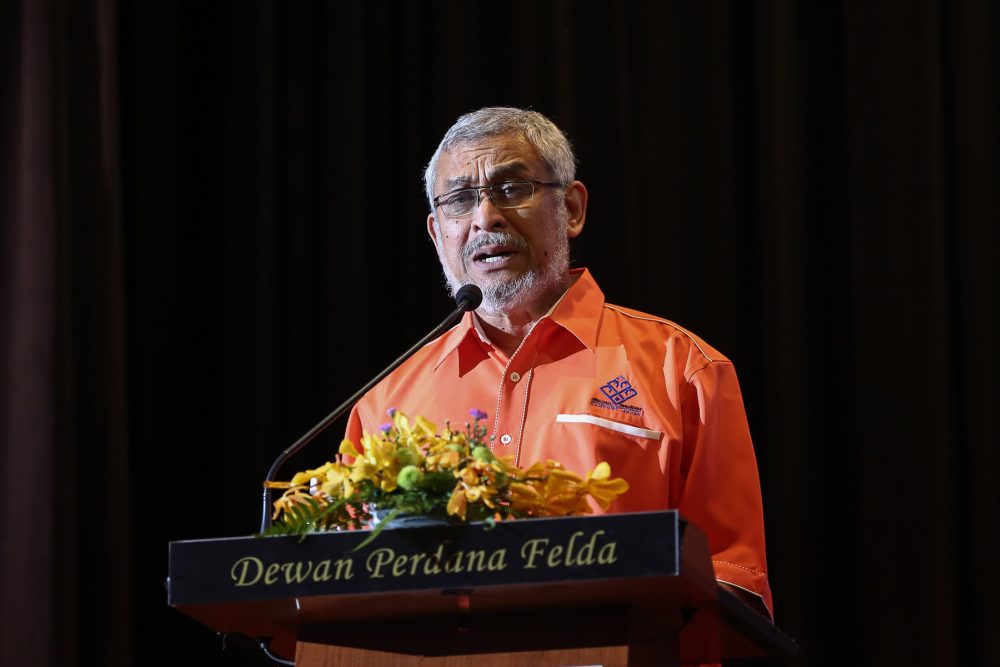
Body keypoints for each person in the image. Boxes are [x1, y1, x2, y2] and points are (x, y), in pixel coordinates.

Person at [345, 106, 772, 617]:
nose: (485, 217)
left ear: (571, 209)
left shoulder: (683, 370)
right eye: (461, 200)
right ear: (438, 235)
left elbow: (728, 585)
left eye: (511, 189)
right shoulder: (386, 401)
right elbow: (349, 583)